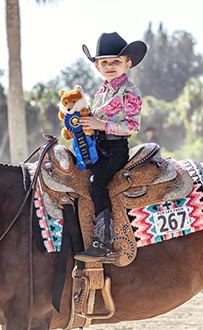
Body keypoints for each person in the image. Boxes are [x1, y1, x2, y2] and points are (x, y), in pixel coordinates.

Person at [74, 32, 147, 263]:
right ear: (97, 67)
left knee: (97, 183)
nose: (110, 66)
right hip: (97, 146)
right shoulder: (100, 92)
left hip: (115, 149)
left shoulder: (130, 92)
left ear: (128, 63)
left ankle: (104, 243)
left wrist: (100, 124)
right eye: (104, 62)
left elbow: (132, 126)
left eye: (116, 61)